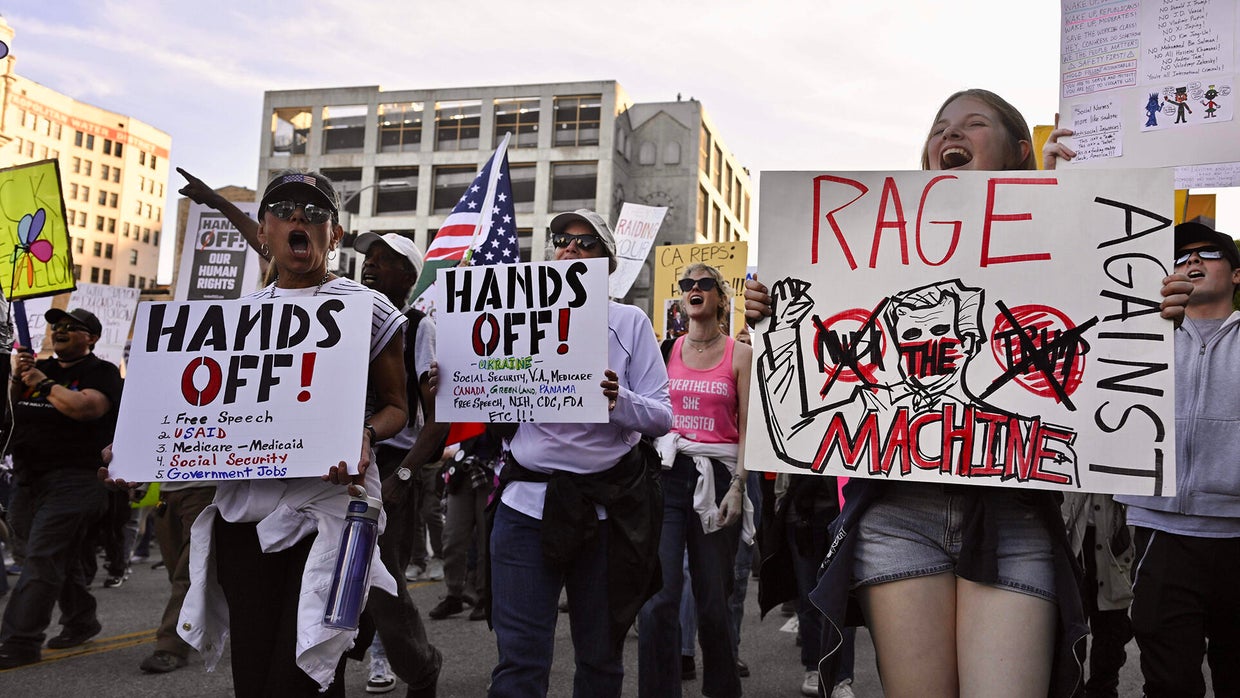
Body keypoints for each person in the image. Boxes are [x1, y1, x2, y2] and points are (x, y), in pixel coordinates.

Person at [742, 89, 1154, 698]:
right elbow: (796, 430)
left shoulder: (1067, 251)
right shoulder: (875, 264)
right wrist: (779, 327)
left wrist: (1154, 304)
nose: (948, 134)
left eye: (972, 123)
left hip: (1012, 522)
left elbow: (1113, 354)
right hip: (897, 519)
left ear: (1020, 151)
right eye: (938, 127)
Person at [106, 170, 424, 697]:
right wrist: (134, 450)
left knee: (306, 672)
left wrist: (365, 433)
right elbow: (189, 413)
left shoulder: (368, 310)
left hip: (330, 513)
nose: (299, 217)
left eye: (315, 212)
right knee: (253, 673)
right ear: (263, 231)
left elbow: (397, 408)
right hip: (244, 519)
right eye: (284, 210)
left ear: (334, 235)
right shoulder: (236, 318)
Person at [482, 208, 672, 698]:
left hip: (606, 513)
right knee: (519, 662)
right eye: (561, 239)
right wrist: (454, 382)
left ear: (607, 262)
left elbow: (662, 416)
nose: (570, 248)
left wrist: (618, 400)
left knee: (601, 659)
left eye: (586, 243)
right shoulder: (516, 316)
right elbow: (484, 395)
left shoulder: (629, 322)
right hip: (526, 509)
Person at [1115, 221, 1240, 698]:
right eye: (1181, 256)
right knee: (1169, 681)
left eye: (1209, 252)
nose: (1192, 260)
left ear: (1237, 275)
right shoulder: (1136, 338)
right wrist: (1147, 323)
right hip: (1161, 531)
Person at [637, 263, 751, 698]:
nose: (694, 289)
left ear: (720, 298)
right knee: (658, 598)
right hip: (668, 475)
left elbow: (750, 428)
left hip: (718, 478)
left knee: (713, 600)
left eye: (704, 284)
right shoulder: (664, 350)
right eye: (687, 284)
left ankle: (721, 689)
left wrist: (739, 485)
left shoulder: (740, 355)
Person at [352, 230, 447, 695]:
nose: (369, 264)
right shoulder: (343, 317)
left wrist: (404, 475)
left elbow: (439, 418)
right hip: (340, 463)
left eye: (383, 259)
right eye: (368, 257)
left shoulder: (418, 327)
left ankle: (421, 666)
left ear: (409, 277)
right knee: (333, 580)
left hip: (390, 462)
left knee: (384, 585)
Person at [0, 308, 121, 669]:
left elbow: (84, 408)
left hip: (76, 480)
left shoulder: (102, 372)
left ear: (92, 338)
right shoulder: (37, 369)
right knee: (43, 557)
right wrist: (17, 379)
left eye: (72, 326)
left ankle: (20, 641)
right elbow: (9, 413)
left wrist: (43, 383)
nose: (60, 330)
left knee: (42, 557)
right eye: (56, 326)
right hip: (28, 480)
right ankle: (81, 619)